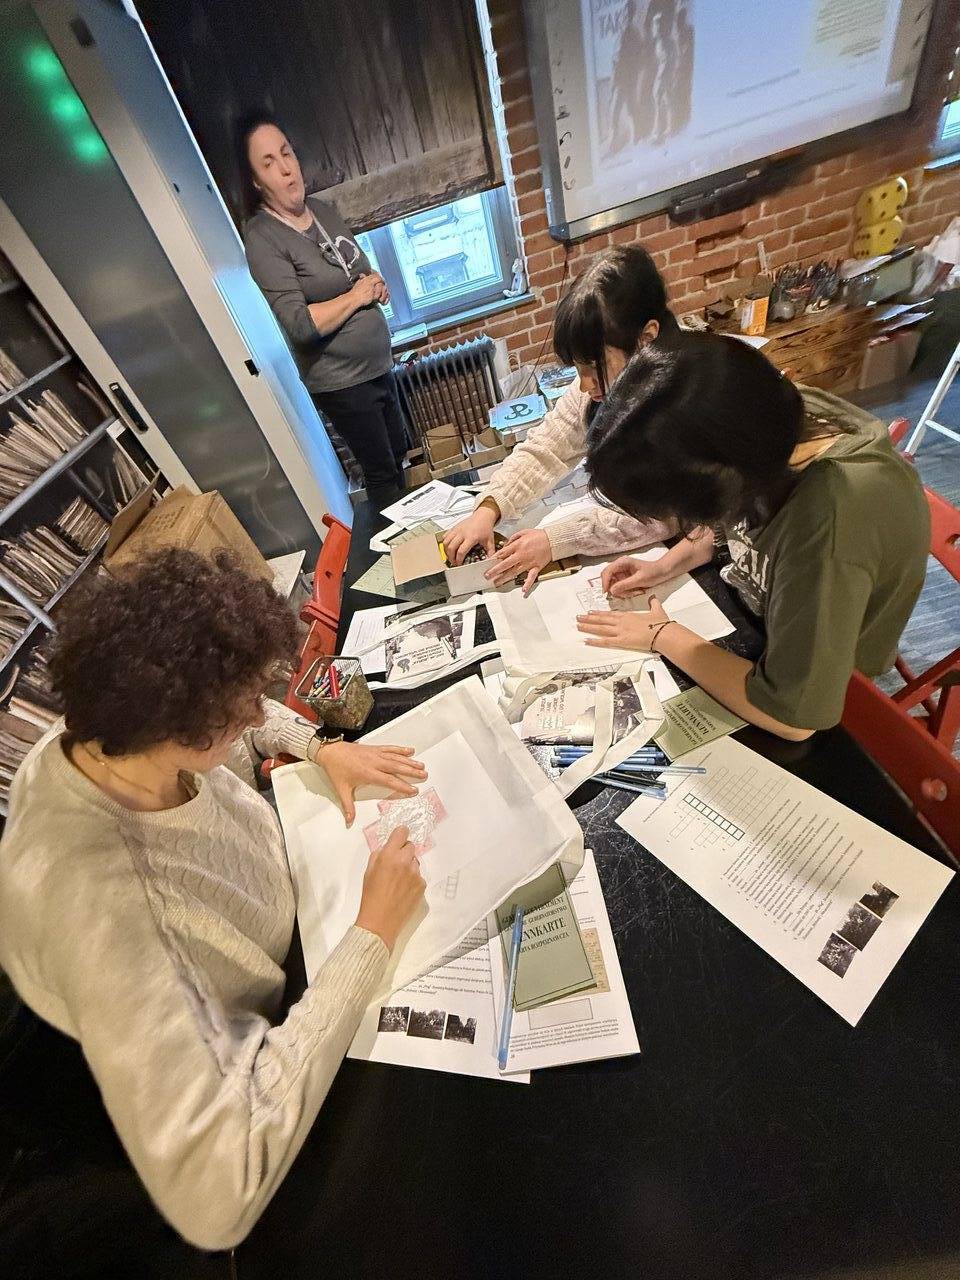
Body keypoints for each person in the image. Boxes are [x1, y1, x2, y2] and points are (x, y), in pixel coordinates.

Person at [0, 549, 429, 1250]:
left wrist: (319, 747)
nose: (257, 716)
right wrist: (371, 936)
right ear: (176, 725)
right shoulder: (109, 916)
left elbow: (246, 718)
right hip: (235, 1025)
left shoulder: (116, 725)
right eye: (235, 714)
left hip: (289, 931)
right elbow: (217, 1199)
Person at [577, 331, 929, 740]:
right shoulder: (766, 415)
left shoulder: (828, 520)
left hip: (829, 674)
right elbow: (730, 517)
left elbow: (793, 719)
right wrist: (666, 564)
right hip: (772, 608)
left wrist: (662, 635)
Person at [443, 245, 692, 593]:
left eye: (593, 367)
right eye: (578, 369)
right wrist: (489, 506)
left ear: (645, 340)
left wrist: (556, 539)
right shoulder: (599, 387)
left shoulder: (683, 398)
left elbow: (662, 516)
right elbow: (548, 447)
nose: (585, 384)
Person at [241, 117, 408, 489]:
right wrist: (358, 296)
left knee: (400, 454)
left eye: (286, 153)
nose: (285, 168)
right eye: (269, 162)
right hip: (344, 382)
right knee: (383, 476)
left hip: (378, 365)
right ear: (256, 181)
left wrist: (374, 282)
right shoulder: (263, 237)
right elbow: (300, 324)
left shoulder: (322, 211)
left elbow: (357, 268)